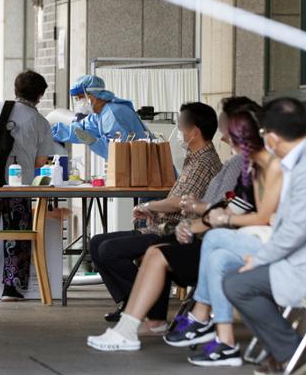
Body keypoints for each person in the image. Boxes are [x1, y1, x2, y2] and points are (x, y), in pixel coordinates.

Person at [86, 103, 283, 352]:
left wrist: (202, 221)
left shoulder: (262, 167)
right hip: (220, 237)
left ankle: (195, 321)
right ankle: (215, 335)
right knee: (177, 252)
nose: (224, 138)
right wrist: (197, 223)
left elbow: (253, 217)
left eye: (230, 134)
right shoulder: (247, 169)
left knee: (157, 252)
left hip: (246, 244)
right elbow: (230, 210)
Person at [223, 98, 306, 375]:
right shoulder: (303, 161)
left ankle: (293, 354)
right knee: (237, 279)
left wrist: (259, 259)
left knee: (237, 284)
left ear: (271, 136)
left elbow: (296, 231)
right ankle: (287, 350)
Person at [89, 102, 222, 326]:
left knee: (108, 250)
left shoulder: (204, 163)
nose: (178, 132)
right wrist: (153, 212)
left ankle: (147, 303)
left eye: (180, 126)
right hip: (161, 226)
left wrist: (151, 207)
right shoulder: (193, 159)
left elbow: (182, 202)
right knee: (96, 243)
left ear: (194, 131)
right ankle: (129, 301)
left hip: (174, 232)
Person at [178, 110, 282, 366]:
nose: (228, 145)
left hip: (277, 243)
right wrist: (217, 216)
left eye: (231, 141)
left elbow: (262, 217)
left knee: (215, 239)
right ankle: (226, 343)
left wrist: (224, 219)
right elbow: (239, 205)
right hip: (261, 236)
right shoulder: (253, 167)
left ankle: (200, 314)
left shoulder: (272, 166)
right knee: (219, 259)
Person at [0, 70, 54, 301]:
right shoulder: (40, 122)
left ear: (15, 89)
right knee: (19, 234)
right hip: (21, 187)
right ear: (39, 95)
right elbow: (41, 162)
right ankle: (12, 288)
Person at [51, 83, 149, 159]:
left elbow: (118, 150)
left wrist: (94, 142)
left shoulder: (112, 113)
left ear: (92, 96)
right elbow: (82, 129)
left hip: (140, 164)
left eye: (79, 98)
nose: (78, 103)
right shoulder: (99, 115)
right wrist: (50, 131)